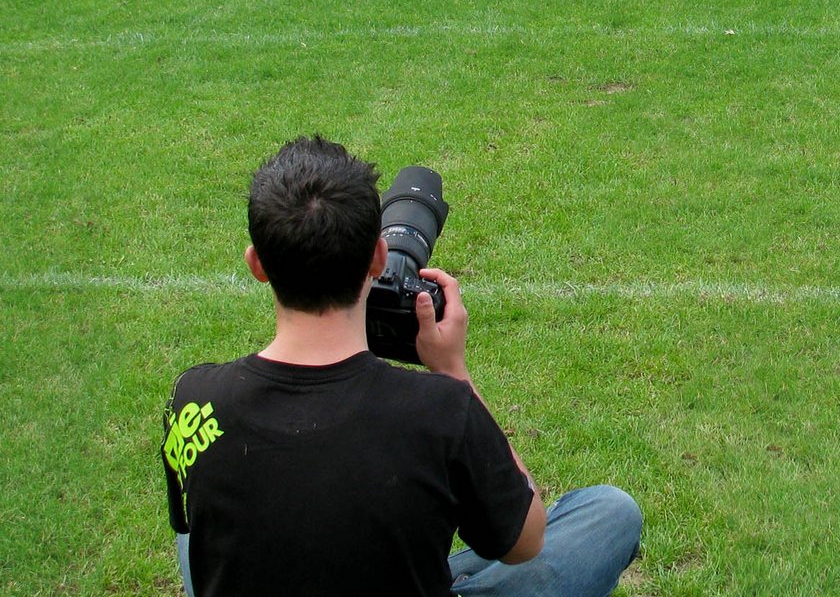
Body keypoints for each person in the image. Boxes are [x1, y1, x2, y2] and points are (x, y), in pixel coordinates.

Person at [162, 135, 642, 596]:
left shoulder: (194, 397)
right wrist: (453, 370)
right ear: (378, 257)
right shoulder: (439, 411)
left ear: (257, 264)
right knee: (608, 513)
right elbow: (526, 542)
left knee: (201, 520)